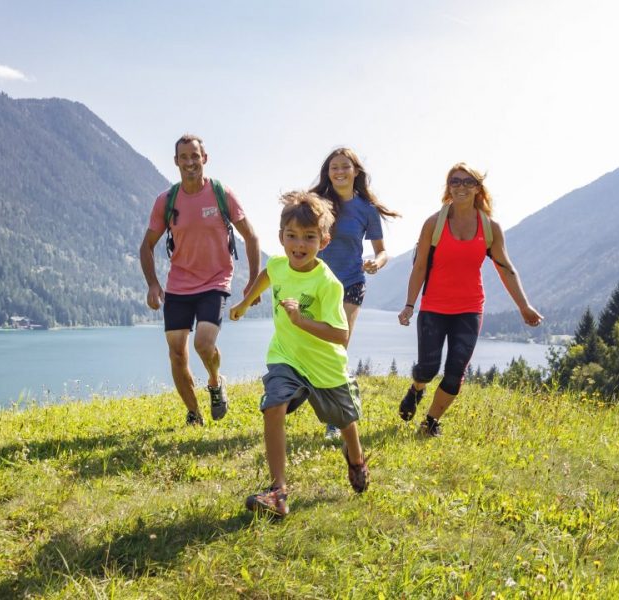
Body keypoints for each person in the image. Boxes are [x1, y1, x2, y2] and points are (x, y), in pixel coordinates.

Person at [229, 191, 369, 517]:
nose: (299, 244)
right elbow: (267, 275)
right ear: (281, 237)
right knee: (272, 406)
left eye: (309, 237)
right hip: (286, 358)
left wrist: (300, 320)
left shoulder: (328, 283)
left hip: (324, 367)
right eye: (291, 236)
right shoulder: (279, 265)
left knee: (345, 419)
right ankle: (278, 492)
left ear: (324, 240)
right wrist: (244, 303)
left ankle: (357, 459)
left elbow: (340, 334)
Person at [397, 163, 543, 437]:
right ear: (448, 186)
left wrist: (524, 306)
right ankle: (417, 389)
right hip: (434, 307)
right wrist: (409, 305)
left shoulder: (490, 228)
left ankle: (430, 423)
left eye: (468, 182)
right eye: (455, 181)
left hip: (469, 309)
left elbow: (506, 268)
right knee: (427, 368)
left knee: (455, 372)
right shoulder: (434, 223)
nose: (461, 186)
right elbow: (419, 267)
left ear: (478, 188)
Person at [140, 134, 261, 426]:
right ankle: (194, 414)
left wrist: (252, 282)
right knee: (176, 353)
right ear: (176, 162)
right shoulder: (166, 201)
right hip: (179, 285)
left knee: (204, 345)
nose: (190, 162)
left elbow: (252, 237)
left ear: (204, 158)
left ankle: (215, 382)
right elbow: (146, 246)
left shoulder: (222, 193)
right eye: (184, 157)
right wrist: (153, 285)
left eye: (195, 156)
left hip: (215, 282)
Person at [310, 148, 400, 439]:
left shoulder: (366, 210)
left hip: (351, 282)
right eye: (333, 167)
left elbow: (382, 250)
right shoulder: (319, 204)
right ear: (328, 172)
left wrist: (378, 262)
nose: (339, 171)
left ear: (355, 172)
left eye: (345, 167)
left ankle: (335, 420)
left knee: (338, 346)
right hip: (318, 283)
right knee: (314, 348)